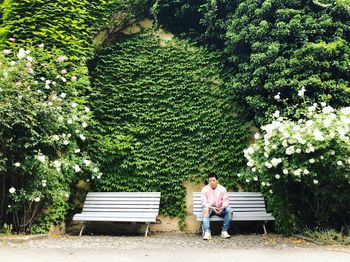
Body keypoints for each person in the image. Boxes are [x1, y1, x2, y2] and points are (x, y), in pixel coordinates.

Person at [201, 172, 231, 240]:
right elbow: (204, 202)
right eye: (210, 181)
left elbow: (226, 201)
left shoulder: (222, 189)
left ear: (217, 181)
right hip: (210, 209)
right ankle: (207, 233)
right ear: (208, 181)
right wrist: (211, 207)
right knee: (205, 210)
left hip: (220, 208)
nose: (212, 182)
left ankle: (224, 231)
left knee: (229, 211)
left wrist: (222, 207)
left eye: (213, 180)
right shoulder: (204, 189)